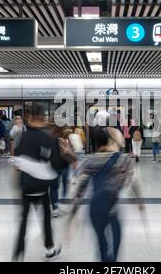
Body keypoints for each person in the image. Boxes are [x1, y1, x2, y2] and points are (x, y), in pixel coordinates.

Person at [67, 126, 144, 262]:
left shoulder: (89, 160)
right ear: (110, 141)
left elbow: (80, 189)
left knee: (101, 243)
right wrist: (139, 202)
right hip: (112, 207)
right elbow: (133, 182)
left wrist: (73, 215)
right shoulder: (124, 159)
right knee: (115, 242)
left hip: (95, 209)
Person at [11, 103, 62, 261]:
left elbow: (17, 159)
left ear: (29, 117)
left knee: (24, 220)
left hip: (26, 186)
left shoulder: (22, 136)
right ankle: (49, 248)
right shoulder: (47, 138)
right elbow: (56, 163)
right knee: (45, 218)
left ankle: (18, 253)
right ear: (42, 118)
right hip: (41, 186)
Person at [50, 126, 76, 217]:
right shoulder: (65, 137)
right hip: (64, 165)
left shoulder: (49, 138)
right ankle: (64, 202)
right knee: (65, 184)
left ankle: (55, 208)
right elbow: (70, 150)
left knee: (53, 188)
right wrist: (73, 161)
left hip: (53, 166)